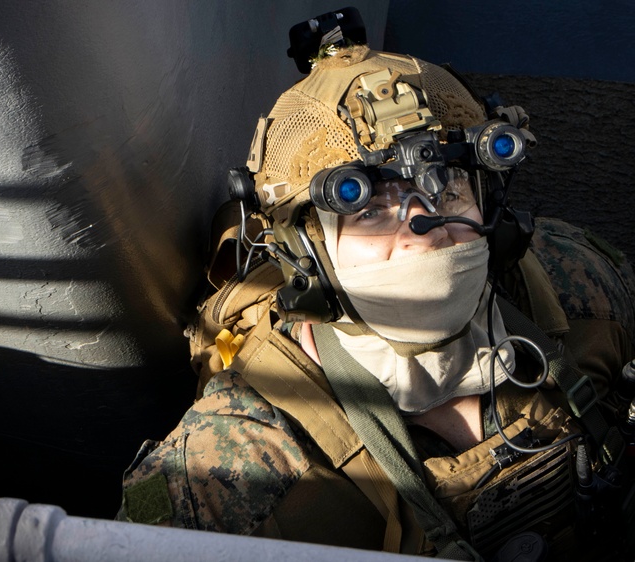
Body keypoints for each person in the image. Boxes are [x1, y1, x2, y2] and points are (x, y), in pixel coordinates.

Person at [117, 12, 635, 562]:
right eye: (367, 207)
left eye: (448, 184)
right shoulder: (226, 473)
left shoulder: (582, 284)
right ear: (308, 252)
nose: (423, 228)